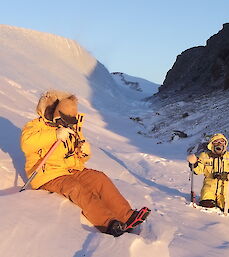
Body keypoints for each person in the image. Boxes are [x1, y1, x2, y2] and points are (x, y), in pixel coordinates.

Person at [20, 90, 150, 237]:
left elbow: (78, 158)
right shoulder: (35, 126)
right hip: (47, 175)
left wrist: (84, 152)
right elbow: (27, 144)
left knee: (99, 178)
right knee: (76, 188)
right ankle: (108, 223)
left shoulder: (69, 127)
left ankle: (127, 216)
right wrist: (54, 135)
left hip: (70, 170)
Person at [187, 133, 229, 213]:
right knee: (207, 205)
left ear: (225, 144)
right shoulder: (204, 156)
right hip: (209, 186)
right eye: (216, 141)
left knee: (228, 209)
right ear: (211, 144)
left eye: (221, 141)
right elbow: (197, 171)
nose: (219, 144)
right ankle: (209, 199)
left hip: (225, 188)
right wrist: (193, 163)